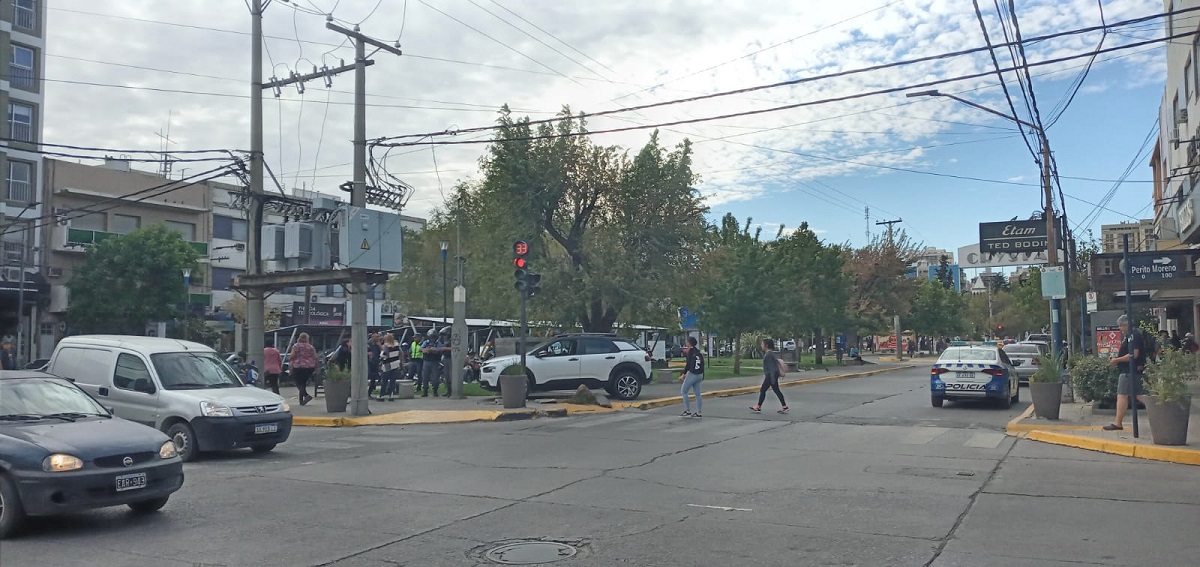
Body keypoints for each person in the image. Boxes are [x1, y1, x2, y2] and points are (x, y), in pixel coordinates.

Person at [1104, 315, 1148, 431]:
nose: (1120, 328)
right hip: (1130, 370)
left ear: (1127, 324)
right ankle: (1159, 410)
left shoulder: (1133, 336)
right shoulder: (1130, 336)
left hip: (1129, 370)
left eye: (1121, 325)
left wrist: (1116, 360)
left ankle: (1118, 423)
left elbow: (1133, 354)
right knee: (1139, 395)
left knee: (1122, 395)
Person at [751, 338, 788, 414]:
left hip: (770, 376)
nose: (761, 345)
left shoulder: (768, 355)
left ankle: (758, 406)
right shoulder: (770, 354)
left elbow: (772, 368)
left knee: (763, 390)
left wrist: (772, 378)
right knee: (776, 391)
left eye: (762, 344)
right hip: (772, 376)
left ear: (766, 345)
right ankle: (784, 406)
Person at [289, 333, 319, 406]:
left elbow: (292, 355)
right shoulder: (311, 347)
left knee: (298, 383)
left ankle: (306, 395)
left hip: (298, 367)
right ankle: (301, 401)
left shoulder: (296, 346)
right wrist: (317, 367)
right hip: (309, 367)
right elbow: (315, 357)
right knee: (303, 383)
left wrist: (291, 360)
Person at [678, 337, 704, 418]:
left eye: (687, 341)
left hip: (692, 374)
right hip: (699, 374)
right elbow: (703, 364)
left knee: (684, 391)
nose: (686, 342)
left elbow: (688, 365)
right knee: (698, 394)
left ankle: (687, 410)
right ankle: (699, 412)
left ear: (689, 343)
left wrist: (683, 374)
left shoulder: (690, 352)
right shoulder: (698, 353)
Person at [378, 333, 403, 401]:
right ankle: (390, 394)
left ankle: (382, 395)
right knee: (392, 380)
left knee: (384, 380)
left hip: (387, 365)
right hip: (395, 364)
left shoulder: (386, 346)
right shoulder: (397, 345)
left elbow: (384, 355)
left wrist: (381, 354)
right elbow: (400, 353)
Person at [420, 329, 441, 397]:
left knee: (435, 377)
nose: (432, 338)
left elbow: (439, 350)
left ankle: (435, 391)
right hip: (426, 361)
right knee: (425, 377)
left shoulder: (438, 343)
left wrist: (431, 350)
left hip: (435, 361)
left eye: (433, 337)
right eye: (431, 337)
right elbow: (420, 349)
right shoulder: (426, 342)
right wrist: (426, 350)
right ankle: (425, 391)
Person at [367, 333, 382, 399]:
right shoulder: (368, 344)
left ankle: (369, 393)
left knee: (373, 379)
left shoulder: (377, 344)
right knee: (368, 377)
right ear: (372, 337)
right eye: (377, 337)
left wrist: (380, 346)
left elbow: (383, 352)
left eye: (378, 337)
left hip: (375, 363)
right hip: (368, 363)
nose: (378, 338)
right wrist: (368, 354)